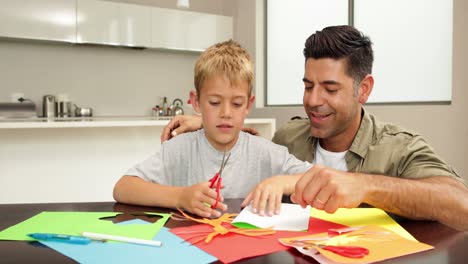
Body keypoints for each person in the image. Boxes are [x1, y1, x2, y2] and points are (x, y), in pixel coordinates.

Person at [160, 26, 468, 231]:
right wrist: (208, 123)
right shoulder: (288, 137)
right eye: (309, 86)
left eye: (330, 89)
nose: (313, 101)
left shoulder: (399, 148)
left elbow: (461, 206)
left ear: (364, 90)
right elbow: (251, 147)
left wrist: (366, 186)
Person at [113, 40, 313, 218]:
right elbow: (123, 188)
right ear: (196, 102)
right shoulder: (179, 148)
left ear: (248, 105)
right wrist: (181, 197)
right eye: (215, 102)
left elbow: (319, 179)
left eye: (236, 104)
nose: (226, 113)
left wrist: (280, 182)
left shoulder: (266, 153)